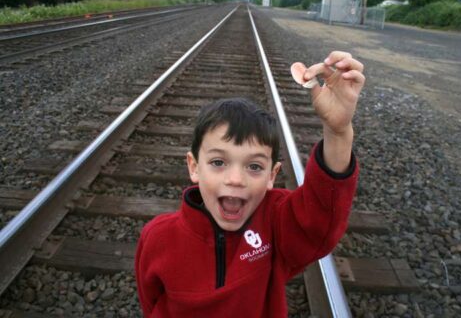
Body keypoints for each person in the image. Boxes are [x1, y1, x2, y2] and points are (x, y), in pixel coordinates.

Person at [135, 51, 365, 317]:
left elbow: (319, 219)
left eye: (254, 166)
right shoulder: (157, 238)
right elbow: (151, 303)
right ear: (194, 166)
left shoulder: (274, 224)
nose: (235, 179)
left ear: (272, 175)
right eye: (218, 162)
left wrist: (338, 132)